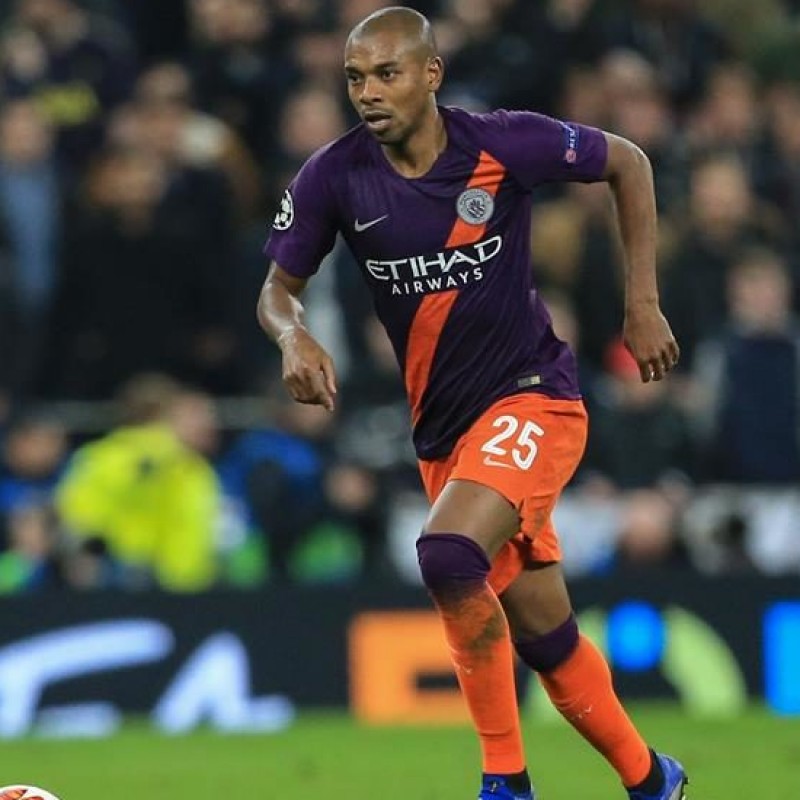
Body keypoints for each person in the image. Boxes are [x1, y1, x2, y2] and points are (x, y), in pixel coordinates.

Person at [257, 8, 685, 800]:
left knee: (447, 554)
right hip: (446, 436)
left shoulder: (501, 143)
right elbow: (278, 293)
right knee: (545, 636)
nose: (367, 92)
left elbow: (627, 161)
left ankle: (504, 783)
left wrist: (643, 302)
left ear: (430, 75)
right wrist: (292, 338)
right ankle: (653, 779)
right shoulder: (335, 175)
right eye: (355, 77)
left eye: (386, 73)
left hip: (535, 397)